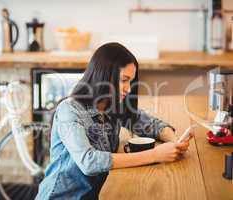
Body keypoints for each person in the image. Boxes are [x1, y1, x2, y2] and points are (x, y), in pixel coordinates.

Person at [35, 42, 193, 200]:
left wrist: (175, 142)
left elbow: (150, 124)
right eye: (124, 80)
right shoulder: (69, 110)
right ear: (104, 76)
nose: (129, 88)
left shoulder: (113, 105)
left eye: (130, 81)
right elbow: (89, 162)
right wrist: (155, 155)